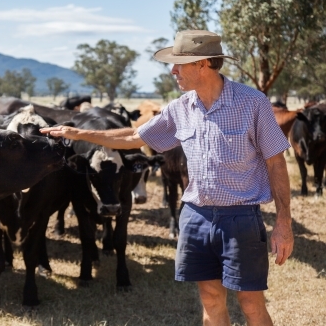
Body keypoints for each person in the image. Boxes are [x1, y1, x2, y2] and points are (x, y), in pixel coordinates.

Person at [40, 30, 294, 326]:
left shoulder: (253, 103)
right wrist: (78, 133)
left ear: (202, 64)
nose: (173, 71)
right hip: (196, 217)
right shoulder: (181, 108)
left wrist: (284, 222)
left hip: (241, 218)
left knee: (250, 303)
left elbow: (276, 162)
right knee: (211, 298)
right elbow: (135, 136)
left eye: (178, 64)